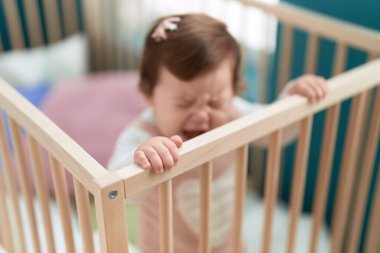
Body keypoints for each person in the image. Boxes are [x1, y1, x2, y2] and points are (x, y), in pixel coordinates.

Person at [108, 13, 328, 253]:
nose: (202, 115)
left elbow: (275, 131)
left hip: (229, 245)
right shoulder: (142, 134)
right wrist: (140, 159)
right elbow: (116, 188)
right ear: (149, 93)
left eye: (214, 101)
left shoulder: (233, 113)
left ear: (233, 91)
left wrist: (293, 101)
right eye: (185, 102)